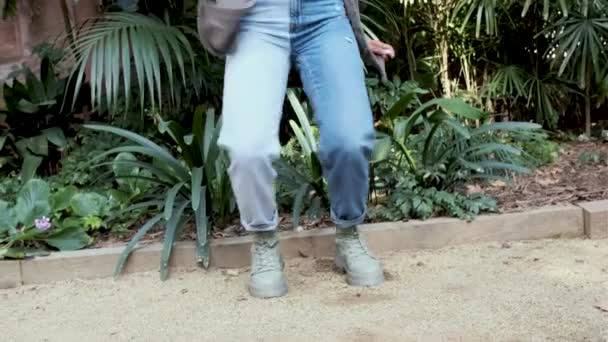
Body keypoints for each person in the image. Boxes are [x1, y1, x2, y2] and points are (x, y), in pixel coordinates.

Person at [197, 0, 395, 298]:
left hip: (325, 15)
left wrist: (358, 37)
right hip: (256, 18)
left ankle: (348, 234)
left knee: (351, 139)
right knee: (247, 147)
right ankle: (264, 242)